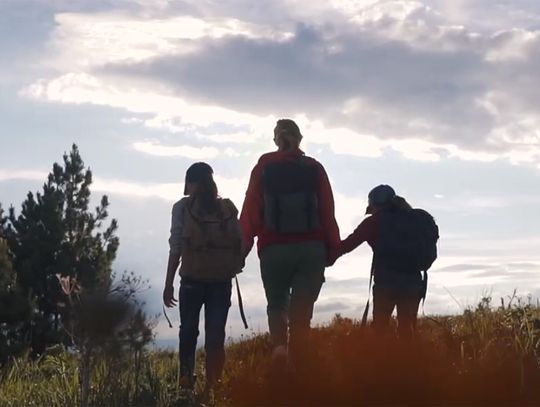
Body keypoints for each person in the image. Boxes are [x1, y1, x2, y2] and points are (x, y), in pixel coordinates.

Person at [240, 118, 340, 367]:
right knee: (302, 312)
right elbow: (327, 212)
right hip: (311, 249)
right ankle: (298, 362)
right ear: (299, 139)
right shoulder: (315, 167)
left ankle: (279, 349)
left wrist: (242, 248)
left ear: (276, 139)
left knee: (276, 304)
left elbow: (251, 209)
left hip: (273, 249)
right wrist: (333, 248)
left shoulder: (264, 165)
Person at [163, 162, 243, 395]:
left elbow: (176, 246)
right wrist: (232, 265)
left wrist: (168, 283)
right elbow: (240, 241)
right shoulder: (226, 209)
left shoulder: (181, 208)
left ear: (189, 183)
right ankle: (213, 386)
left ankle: (186, 381)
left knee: (188, 331)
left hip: (191, 280)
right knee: (215, 334)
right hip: (221, 281)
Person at [335, 185, 438, 339]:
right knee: (407, 329)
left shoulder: (373, 222)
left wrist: (323, 257)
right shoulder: (414, 219)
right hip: (413, 281)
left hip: (385, 282)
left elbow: (347, 245)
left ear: (374, 204)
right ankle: (411, 360)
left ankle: (383, 360)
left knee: (380, 329)